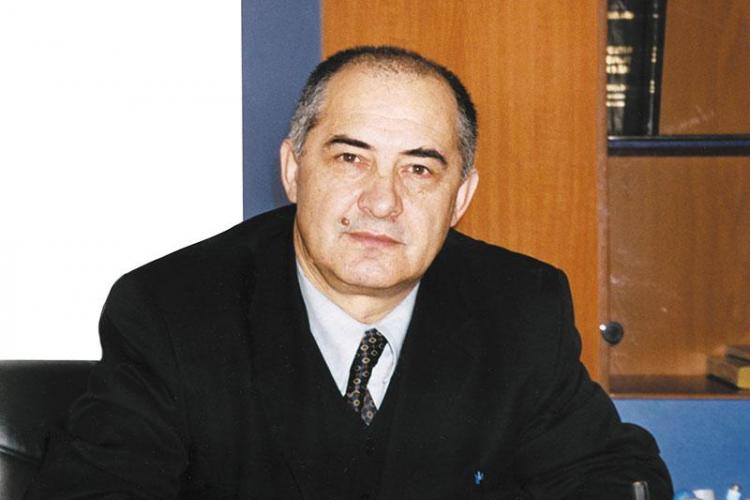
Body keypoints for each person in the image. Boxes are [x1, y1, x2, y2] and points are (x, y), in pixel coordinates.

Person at [26, 46, 672, 499]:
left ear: (461, 198)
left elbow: (614, 475)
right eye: (351, 159)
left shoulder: (517, 306)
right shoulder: (173, 308)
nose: (382, 202)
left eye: (419, 169)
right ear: (293, 170)